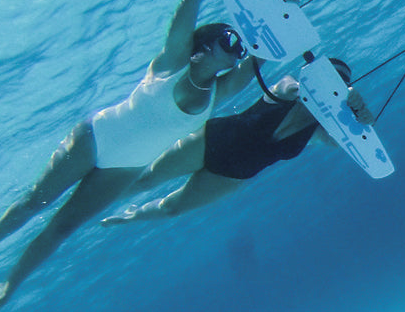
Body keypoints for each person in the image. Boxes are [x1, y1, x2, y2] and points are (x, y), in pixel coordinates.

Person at [0, 0, 259, 312]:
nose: (238, 51)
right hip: (96, 137)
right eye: (231, 40)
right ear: (206, 44)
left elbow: (264, 55)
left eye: (240, 47)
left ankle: (8, 288)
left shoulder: (219, 93)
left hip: (126, 168)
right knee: (35, 202)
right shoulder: (173, 61)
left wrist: (279, 8)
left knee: (61, 229)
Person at [101, 59, 373, 226]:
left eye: (342, 82)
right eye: (331, 77)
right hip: (212, 141)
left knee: (172, 209)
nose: (335, 85)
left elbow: (348, 142)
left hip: (233, 175)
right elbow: (291, 88)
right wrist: (323, 92)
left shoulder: (319, 130)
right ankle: (93, 201)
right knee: (147, 179)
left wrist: (363, 116)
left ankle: (132, 215)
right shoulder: (289, 86)